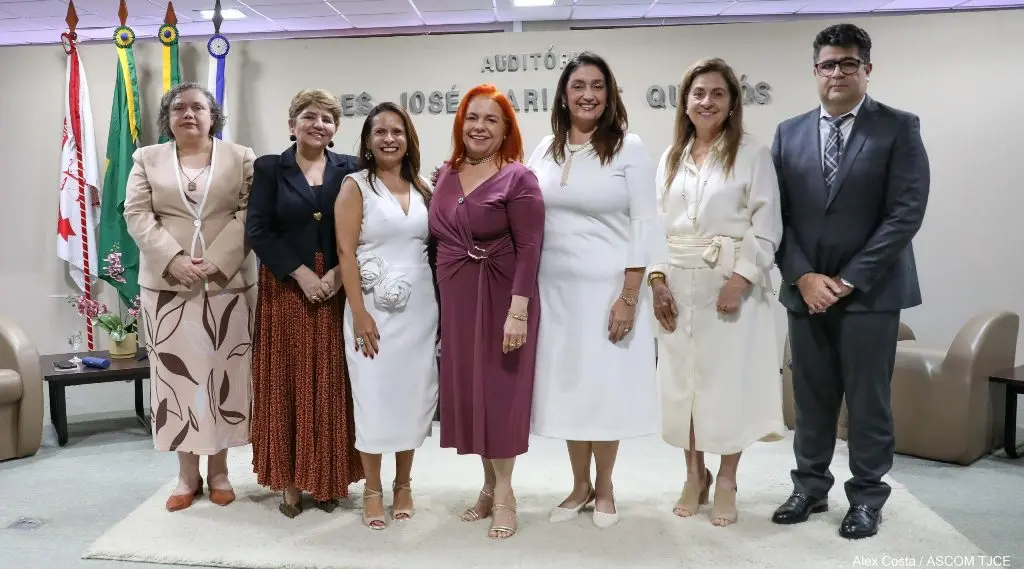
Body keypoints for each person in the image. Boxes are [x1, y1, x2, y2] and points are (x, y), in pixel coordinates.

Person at [770, 23, 929, 539]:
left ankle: (866, 497)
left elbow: (905, 214)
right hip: (805, 292)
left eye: (848, 64)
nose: (836, 73)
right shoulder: (788, 132)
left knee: (868, 401)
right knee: (811, 399)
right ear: (814, 71)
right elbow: (778, 217)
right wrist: (804, 276)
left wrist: (846, 280)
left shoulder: (898, 128)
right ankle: (809, 487)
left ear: (867, 69)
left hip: (872, 294)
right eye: (827, 65)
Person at [525, 52, 665, 529]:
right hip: (556, 294)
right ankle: (579, 485)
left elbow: (645, 225)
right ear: (564, 94)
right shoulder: (545, 148)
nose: (588, 94)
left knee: (604, 391)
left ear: (610, 94)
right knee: (571, 391)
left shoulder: (630, 147)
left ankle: (605, 486)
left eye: (598, 85)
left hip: (610, 291)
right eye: (578, 85)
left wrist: (629, 295)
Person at [647, 58, 785, 527]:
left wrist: (741, 278)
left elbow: (766, 228)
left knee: (726, 388)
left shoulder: (752, 154)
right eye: (698, 93)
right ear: (685, 102)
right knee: (683, 387)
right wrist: (656, 280)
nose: (706, 101)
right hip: (675, 284)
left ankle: (726, 479)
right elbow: (651, 227)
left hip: (729, 286)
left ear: (731, 104)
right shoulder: (669, 158)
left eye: (717, 94)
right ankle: (694, 474)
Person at [123, 81, 256, 512]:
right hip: (167, 287)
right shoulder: (147, 158)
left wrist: (216, 260)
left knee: (221, 377)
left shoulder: (240, 157)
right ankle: (185, 475)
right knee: (177, 382)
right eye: (179, 108)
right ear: (168, 117)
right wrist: (174, 258)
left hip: (225, 285)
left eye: (198, 107)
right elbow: (137, 214)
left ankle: (218, 471)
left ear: (213, 115)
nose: (189, 114)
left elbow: (249, 212)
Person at [428, 84, 544, 539]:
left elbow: (531, 248)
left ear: (506, 129)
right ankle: (486, 486)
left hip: (502, 298)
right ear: (461, 123)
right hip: (456, 299)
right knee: (472, 395)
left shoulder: (519, 178)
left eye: (491, 120)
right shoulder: (445, 173)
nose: (479, 127)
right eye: (472, 118)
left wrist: (519, 311)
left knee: (499, 396)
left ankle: (506, 493)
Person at [246, 88, 364, 518]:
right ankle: (292, 483)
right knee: (290, 383)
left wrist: (335, 273)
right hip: (287, 287)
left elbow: (362, 226)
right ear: (292, 122)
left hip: (336, 287)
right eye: (310, 116)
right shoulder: (269, 169)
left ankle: (329, 479)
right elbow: (258, 230)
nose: (319, 124)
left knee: (332, 383)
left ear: (336, 130)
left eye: (328, 119)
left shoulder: (351, 168)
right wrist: (301, 273)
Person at [334, 102, 439, 530]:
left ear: (408, 138)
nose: (389, 138)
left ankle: (404, 484)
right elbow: (346, 252)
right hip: (372, 309)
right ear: (367, 140)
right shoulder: (355, 186)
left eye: (397, 131)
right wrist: (359, 313)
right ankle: (373, 489)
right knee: (374, 397)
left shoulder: (424, 185)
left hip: (418, 310)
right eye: (380, 132)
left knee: (412, 398)